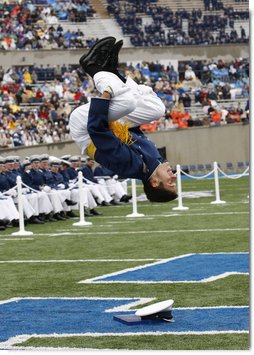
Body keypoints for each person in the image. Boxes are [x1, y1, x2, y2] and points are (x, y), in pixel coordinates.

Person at [70, 37, 177, 202]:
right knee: (157, 109)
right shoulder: (154, 161)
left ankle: (92, 67)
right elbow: (130, 129)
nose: (174, 176)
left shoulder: (130, 166)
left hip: (85, 128)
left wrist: (106, 96)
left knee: (126, 102)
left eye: (170, 182)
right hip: (106, 126)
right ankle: (111, 70)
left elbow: (98, 131)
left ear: (155, 182)